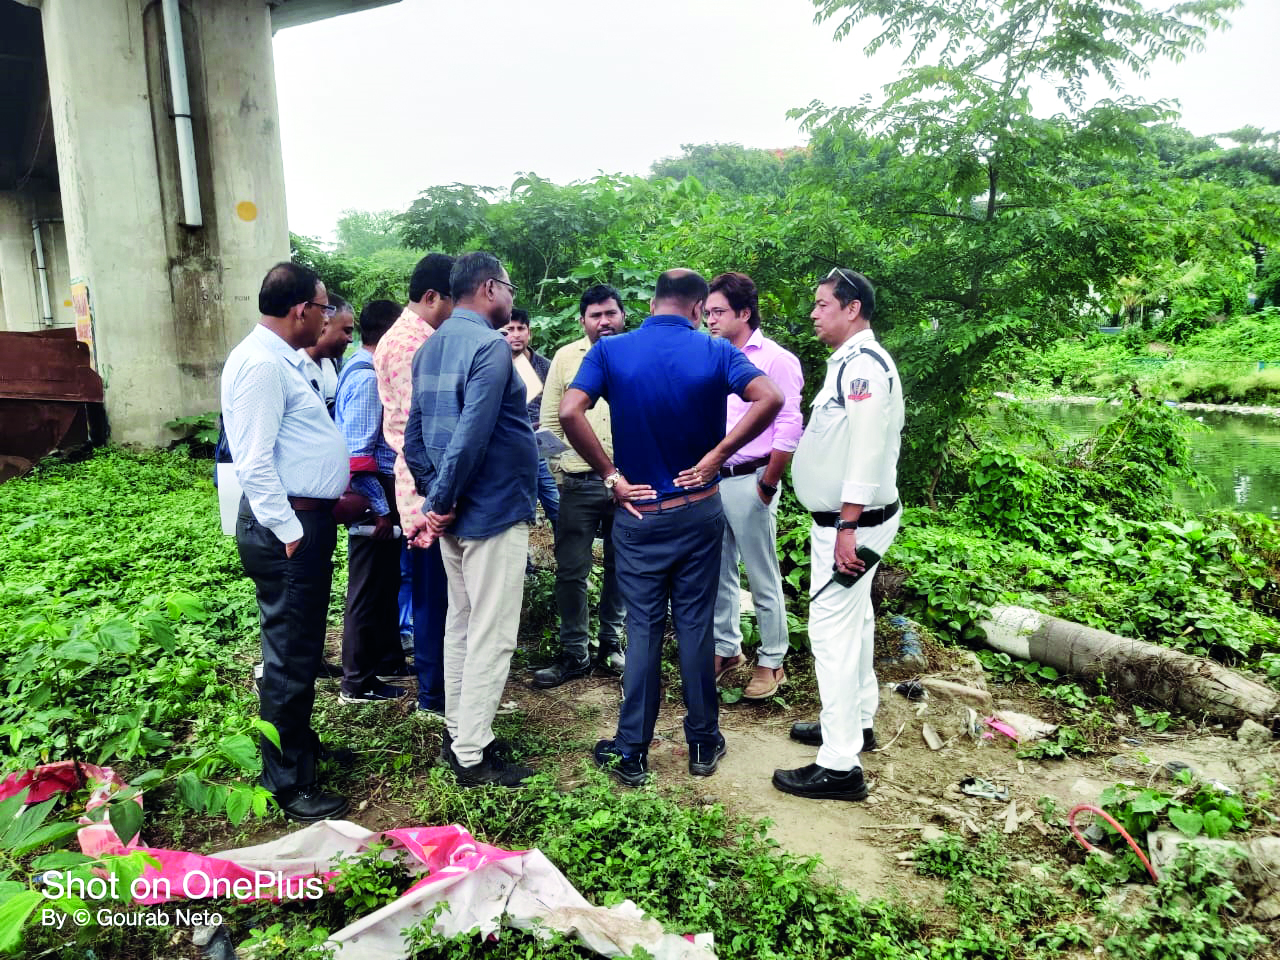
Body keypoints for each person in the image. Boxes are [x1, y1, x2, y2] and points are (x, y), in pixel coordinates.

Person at [560, 268, 783, 786]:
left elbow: (571, 410)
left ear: (653, 302)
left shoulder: (611, 351)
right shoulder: (716, 352)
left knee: (642, 629)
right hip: (699, 509)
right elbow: (769, 397)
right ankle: (703, 742)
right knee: (695, 626)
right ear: (699, 306)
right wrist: (719, 454)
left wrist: (611, 476)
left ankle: (632, 750)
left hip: (638, 514)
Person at [403, 252, 538, 788]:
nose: (510, 295)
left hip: (457, 515)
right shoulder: (490, 347)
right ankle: (472, 754)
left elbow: (414, 437)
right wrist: (441, 502)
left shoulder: (429, 346)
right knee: (492, 631)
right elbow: (472, 434)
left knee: (462, 622)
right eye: (507, 285)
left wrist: (436, 499)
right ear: (488, 289)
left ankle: (460, 732)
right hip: (490, 511)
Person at [220, 261, 349, 823]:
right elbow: (252, 459)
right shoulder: (260, 365)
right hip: (285, 529)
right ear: (301, 310)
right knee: (290, 659)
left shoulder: (285, 359)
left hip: (302, 522)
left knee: (302, 650)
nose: (324, 318)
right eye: (322, 309)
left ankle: (301, 750)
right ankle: (287, 781)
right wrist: (290, 530)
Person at [774, 268, 903, 803]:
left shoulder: (864, 368)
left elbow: (868, 449)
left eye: (823, 304)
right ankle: (858, 722)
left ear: (852, 309)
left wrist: (847, 525)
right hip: (850, 522)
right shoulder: (849, 364)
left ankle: (840, 763)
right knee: (859, 623)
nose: (813, 313)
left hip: (852, 526)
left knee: (830, 634)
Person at [706, 272, 804, 699]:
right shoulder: (712, 354)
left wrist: (769, 482)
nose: (709, 319)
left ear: (744, 313)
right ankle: (727, 650)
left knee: (762, 573)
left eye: (719, 312)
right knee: (719, 571)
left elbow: (789, 424)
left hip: (752, 478)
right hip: (714, 478)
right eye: (707, 311)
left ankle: (773, 660)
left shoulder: (776, 359)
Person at [532, 284, 628, 688]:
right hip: (578, 481)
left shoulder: (636, 354)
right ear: (582, 320)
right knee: (571, 570)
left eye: (610, 313)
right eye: (595, 315)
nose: (604, 322)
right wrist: (559, 471)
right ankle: (575, 651)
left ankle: (612, 643)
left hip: (628, 482)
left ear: (624, 315)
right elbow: (550, 421)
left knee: (621, 566)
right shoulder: (566, 358)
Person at [373, 254, 454, 717]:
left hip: (426, 489)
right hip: (424, 492)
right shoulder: (409, 344)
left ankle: (442, 690)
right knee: (433, 598)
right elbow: (419, 432)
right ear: (431, 297)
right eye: (450, 301)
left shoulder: (418, 337)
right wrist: (439, 498)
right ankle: (434, 696)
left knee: (439, 595)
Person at [334, 299, 411, 706]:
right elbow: (358, 453)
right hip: (371, 491)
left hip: (378, 489)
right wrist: (380, 507)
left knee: (384, 583)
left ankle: (385, 661)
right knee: (366, 588)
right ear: (388, 334)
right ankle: (357, 680)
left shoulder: (359, 368)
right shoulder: (366, 379)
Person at [500, 308, 559, 532]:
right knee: (516, 511)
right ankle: (523, 565)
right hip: (510, 448)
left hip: (542, 446)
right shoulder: (496, 365)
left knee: (556, 505)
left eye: (520, 329)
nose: (515, 334)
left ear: (529, 333)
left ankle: (565, 560)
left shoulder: (546, 366)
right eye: (509, 330)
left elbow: (557, 405)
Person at [299, 297, 354, 415]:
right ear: (324, 324)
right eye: (347, 331)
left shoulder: (332, 363)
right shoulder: (294, 365)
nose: (351, 339)